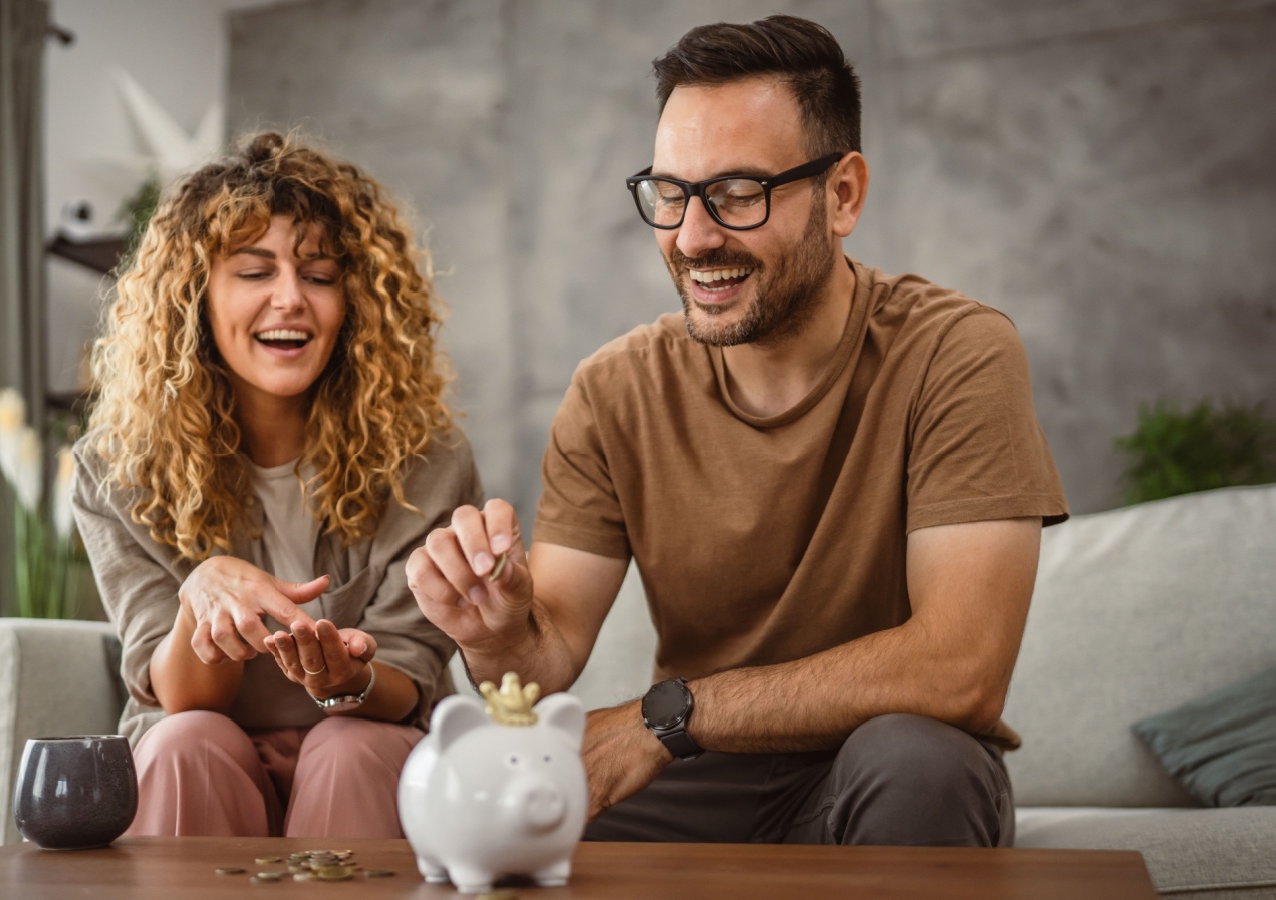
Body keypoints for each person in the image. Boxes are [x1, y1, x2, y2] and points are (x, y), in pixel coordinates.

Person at [406, 16, 1067, 847]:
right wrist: (495, 628)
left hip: (875, 768)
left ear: (844, 194)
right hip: (698, 776)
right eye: (671, 193)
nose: (692, 237)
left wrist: (669, 716)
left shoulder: (956, 353)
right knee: (504, 822)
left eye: (739, 193)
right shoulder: (614, 391)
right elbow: (540, 666)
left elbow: (961, 668)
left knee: (919, 763)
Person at [74, 131, 479, 839]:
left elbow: (406, 678)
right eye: (255, 272)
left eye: (320, 276)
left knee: (348, 748)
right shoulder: (115, 470)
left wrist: (342, 680)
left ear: (355, 302)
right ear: (196, 294)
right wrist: (204, 598)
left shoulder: (428, 460)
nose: (290, 299)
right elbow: (176, 697)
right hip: (202, 744)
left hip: (369, 741)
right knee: (183, 743)